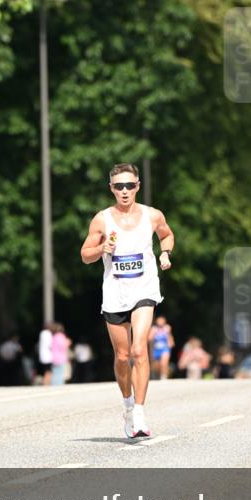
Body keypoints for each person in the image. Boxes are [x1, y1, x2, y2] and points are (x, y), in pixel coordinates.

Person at [80, 162, 174, 439]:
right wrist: (101, 248)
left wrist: (165, 253)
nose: (124, 191)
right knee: (122, 357)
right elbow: (85, 255)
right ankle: (128, 405)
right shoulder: (101, 219)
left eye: (129, 185)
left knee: (138, 350)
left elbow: (167, 235)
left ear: (137, 186)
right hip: (115, 293)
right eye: (119, 186)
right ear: (111, 188)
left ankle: (141, 414)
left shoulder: (152, 215)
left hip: (144, 288)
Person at [149, 315, 175, 380]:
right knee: (157, 366)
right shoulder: (154, 329)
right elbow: (149, 339)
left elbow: (170, 338)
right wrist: (153, 333)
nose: (160, 322)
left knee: (164, 363)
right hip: (156, 349)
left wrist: (170, 341)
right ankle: (158, 375)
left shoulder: (167, 328)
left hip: (165, 348)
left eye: (162, 320)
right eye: (159, 320)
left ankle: (164, 377)